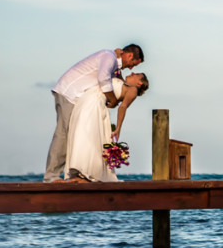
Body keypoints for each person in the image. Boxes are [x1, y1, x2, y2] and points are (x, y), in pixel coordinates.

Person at [43, 44, 144, 182]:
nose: (131, 69)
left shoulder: (114, 63)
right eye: (133, 64)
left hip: (81, 100)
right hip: (70, 93)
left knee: (78, 135)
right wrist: (113, 101)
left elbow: (116, 81)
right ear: (130, 56)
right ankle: (51, 176)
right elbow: (103, 80)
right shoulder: (109, 57)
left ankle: (77, 173)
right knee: (63, 134)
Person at [62, 72, 150, 182]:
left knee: (87, 136)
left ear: (139, 82)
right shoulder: (123, 83)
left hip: (94, 103)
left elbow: (123, 107)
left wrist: (118, 128)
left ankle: (86, 172)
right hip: (87, 100)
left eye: (136, 74)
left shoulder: (133, 90)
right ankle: (80, 171)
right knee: (82, 135)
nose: (132, 73)